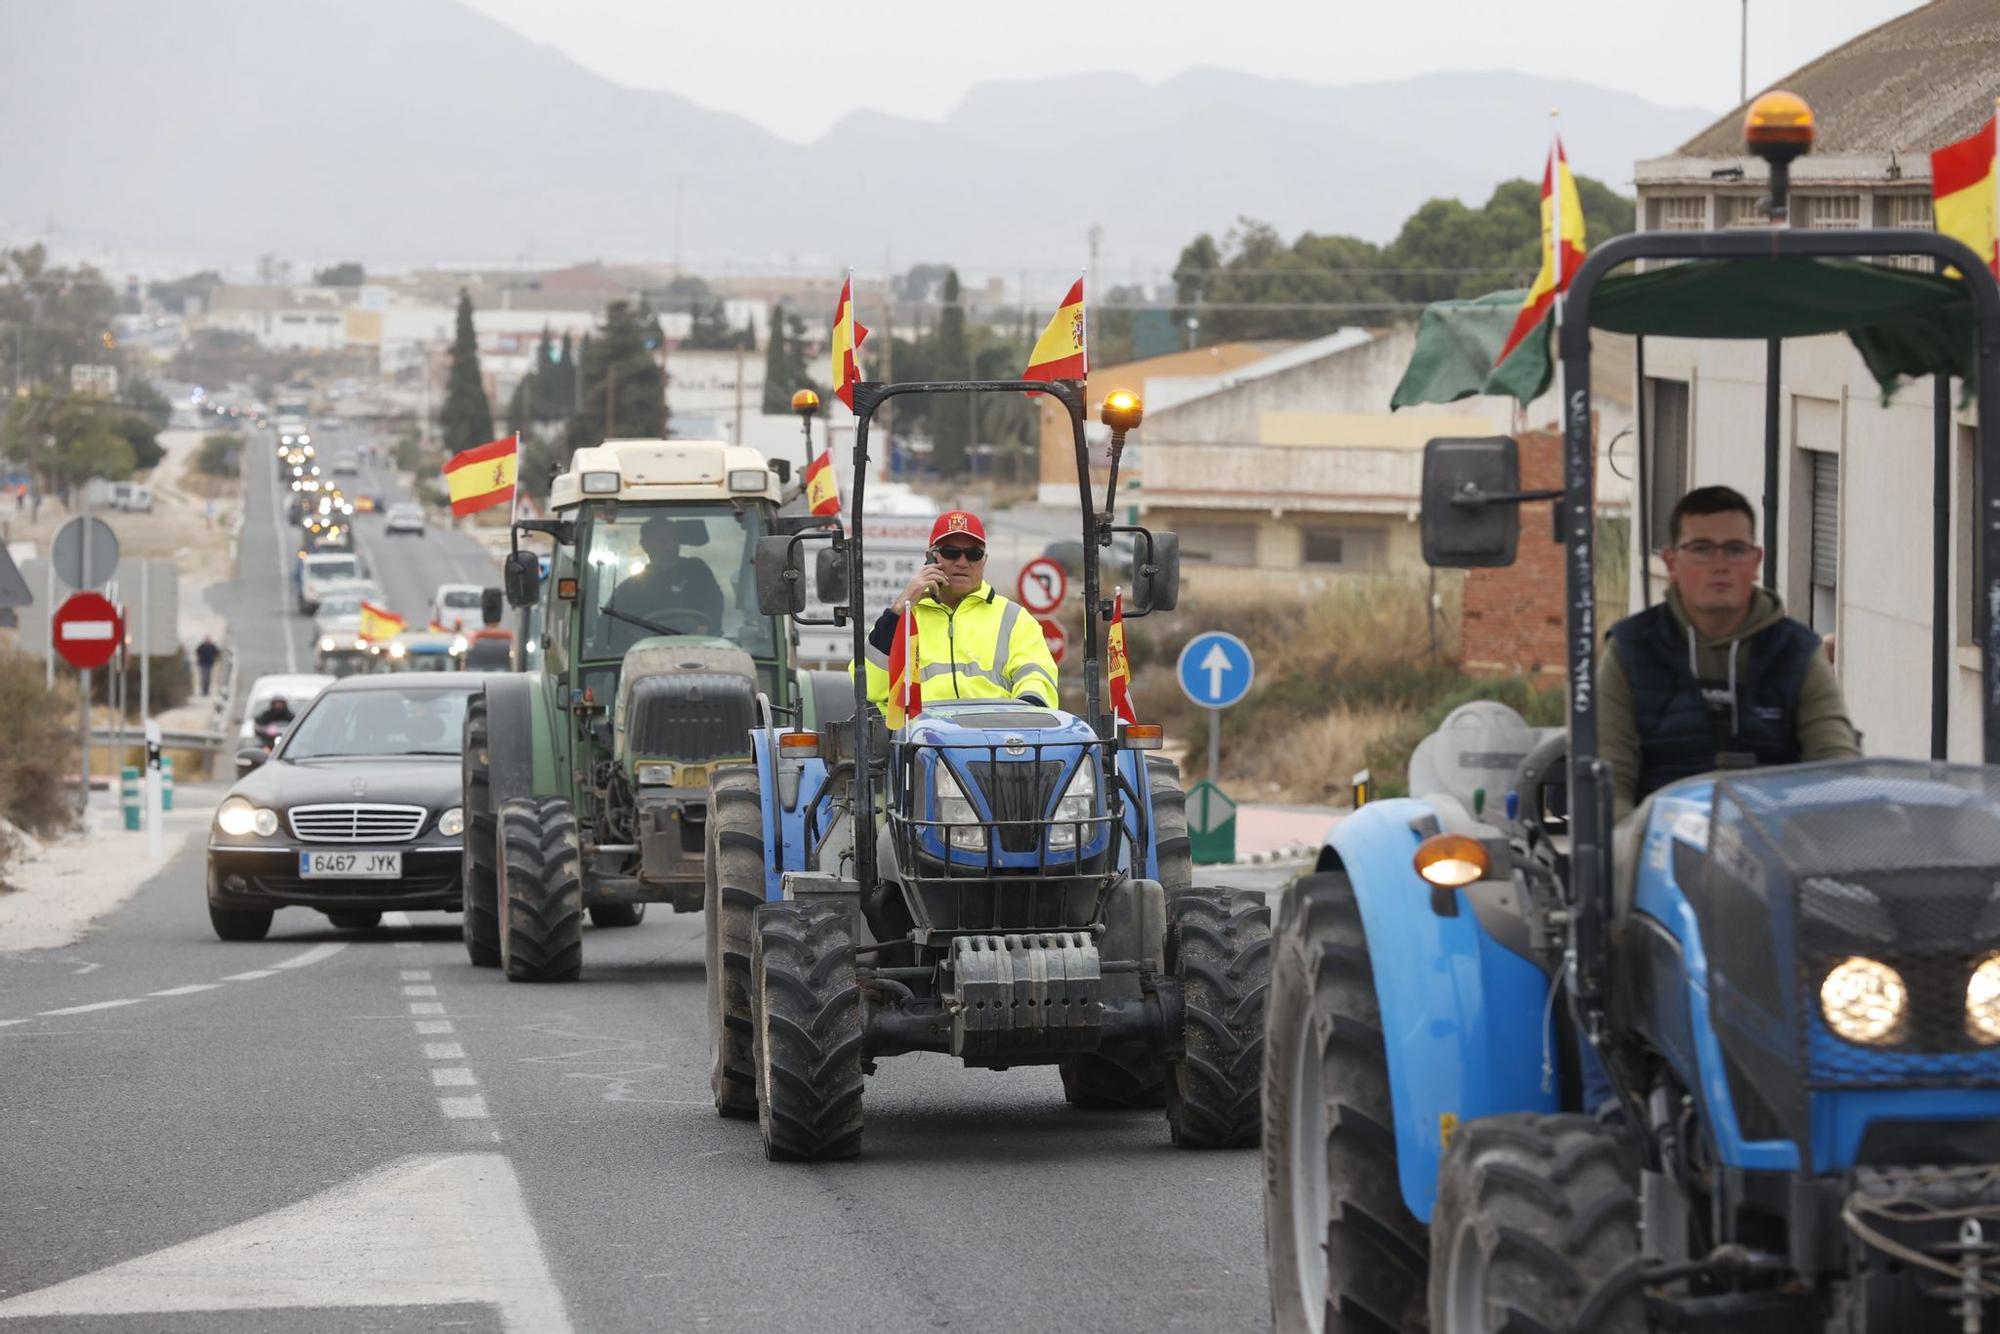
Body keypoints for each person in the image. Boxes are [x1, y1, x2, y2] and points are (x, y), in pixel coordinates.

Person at [1599, 484, 1860, 820]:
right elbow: (1607, 782)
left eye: (1735, 549)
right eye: (1702, 549)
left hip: (1778, 852)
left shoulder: (1798, 653)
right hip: (1656, 853)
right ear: (1671, 561)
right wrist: (1633, 848)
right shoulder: (1629, 649)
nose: (1719, 564)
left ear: (1755, 562)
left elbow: (1838, 769)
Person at [858, 510, 1058, 713]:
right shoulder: (903, 618)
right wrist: (899, 610)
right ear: (930, 557)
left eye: (973, 554)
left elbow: (1037, 678)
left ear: (984, 561)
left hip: (995, 738)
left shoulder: (1014, 618)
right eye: (951, 552)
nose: (962, 562)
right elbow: (869, 687)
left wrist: (1023, 721)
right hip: (918, 739)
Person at [601, 515, 724, 651]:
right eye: (661, 540)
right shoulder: (629, 589)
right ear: (645, 545)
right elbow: (607, 630)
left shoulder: (697, 570)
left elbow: (715, 603)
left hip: (701, 651)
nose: (669, 545)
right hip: (646, 659)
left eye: (673, 539)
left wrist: (706, 627)